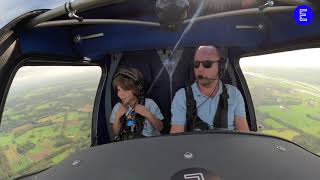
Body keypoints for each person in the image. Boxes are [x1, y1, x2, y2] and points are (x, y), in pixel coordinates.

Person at [170, 45, 249, 133]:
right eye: (196, 64)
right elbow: (176, 136)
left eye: (207, 64)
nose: (200, 69)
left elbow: (243, 133)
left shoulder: (234, 94)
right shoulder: (182, 96)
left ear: (221, 67)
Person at [110, 67, 164, 141]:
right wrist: (117, 117)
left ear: (136, 89)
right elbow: (116, 133)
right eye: (119, 90)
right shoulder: (118, 107)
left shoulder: (149, 103)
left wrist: (148, 114)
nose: (120, 94)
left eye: (125, 90)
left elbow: (160, 127)